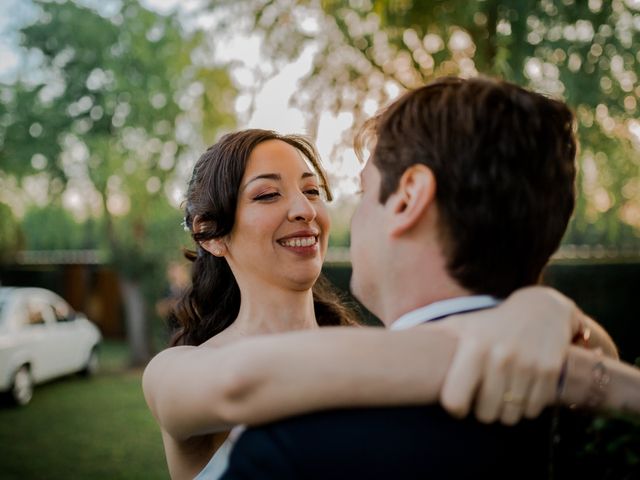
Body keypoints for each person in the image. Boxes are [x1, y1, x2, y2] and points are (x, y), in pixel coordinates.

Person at [209, 78, 640, 479]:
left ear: (408, 198)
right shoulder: (610, 414)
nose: (324, 216)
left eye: (363, 193)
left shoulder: (294, 448)